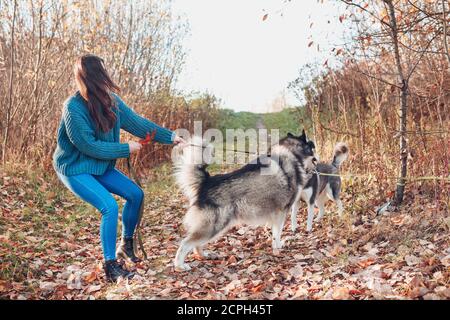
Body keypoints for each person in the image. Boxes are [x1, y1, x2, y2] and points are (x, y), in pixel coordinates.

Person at [53, 54, 185, 282]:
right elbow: (88, 146)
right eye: (103, 73)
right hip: (75, 167)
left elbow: (139, 124)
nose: (107, 76)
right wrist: (126, 148)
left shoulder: (110, 101)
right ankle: (110, 266)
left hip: (100, 166)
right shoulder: (73, 107)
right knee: (109, 207)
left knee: (136, 194)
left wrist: (172, 136)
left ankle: (126, 244)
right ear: (92, 77)